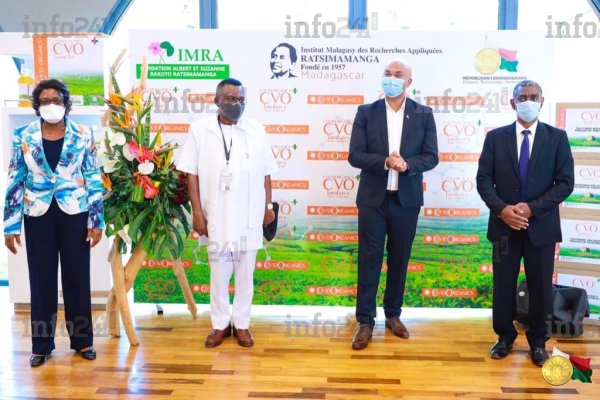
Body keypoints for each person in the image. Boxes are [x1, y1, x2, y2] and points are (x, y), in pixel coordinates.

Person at [3, 79, 104, 367]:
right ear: (36, 105)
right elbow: (15, 180)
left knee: (77, 278)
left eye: (57, 100)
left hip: (75, 213)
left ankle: (83, 341)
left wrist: (97, 220)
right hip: (38, 215)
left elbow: (93, 177)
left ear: (66, 104)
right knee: (41, 280)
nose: (51, 105)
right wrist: (10, 226)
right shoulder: (22, 135)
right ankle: (41, 345)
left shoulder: (83, 134)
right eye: (45, 100)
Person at [476, 80, 574, 366]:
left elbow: (565, 183)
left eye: (533, 97)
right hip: (503, 228)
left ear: (542, 101)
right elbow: (484, 180)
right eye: (522, 98)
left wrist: (532, 209)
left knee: (541, 288)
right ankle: (504, 337)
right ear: (513, 103)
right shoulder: (495, 138)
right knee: (503, 285)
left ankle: (539, 342)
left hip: (541, 227)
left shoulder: (557, 138)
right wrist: (502, 210)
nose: (528, 102)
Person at [176, 78, 277, 348]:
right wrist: (197, 213)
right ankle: (220, 324)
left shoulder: (256, 129)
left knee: (245, 276)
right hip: (217, 216)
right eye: (231, 99)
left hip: (249, 216)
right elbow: (191, 174)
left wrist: (268, 207)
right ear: (217, 101)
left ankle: (242, 324)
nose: (236, 104)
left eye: (241, 99)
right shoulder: (200, 130)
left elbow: (267, 172)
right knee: (219, 276)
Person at [348, 59, 439, 350]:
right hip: (372, 200)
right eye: (388, 74)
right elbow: (355, 155)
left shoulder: (423, 114)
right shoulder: (366, 112)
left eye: (398, 75)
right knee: (369, 260)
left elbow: (432, 156)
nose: (392, 78)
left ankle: (393, 315)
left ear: (409, 82)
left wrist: (407, 165)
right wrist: (385, 162)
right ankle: (365, 320)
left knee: (399, 260)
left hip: (406, 201)